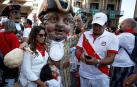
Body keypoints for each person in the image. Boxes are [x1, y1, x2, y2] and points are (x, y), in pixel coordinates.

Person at [75, 12, 119, 87]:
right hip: (84, 74)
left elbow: (111, 58)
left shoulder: (112, 37)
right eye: (95, 25)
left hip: (101, 76)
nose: (97, 27)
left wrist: (97, 61)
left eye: (100, 25)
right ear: (92, 24)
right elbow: (78, 50)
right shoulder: (85, 34)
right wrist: (80, 56)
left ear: (106, 24)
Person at [39, 0, 74, 87]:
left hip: (64, 78)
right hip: (47, 79)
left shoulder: (69, 41)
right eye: (54, 19)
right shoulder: (41, 40)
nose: (60, 24)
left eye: (66, 20)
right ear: (44, 23)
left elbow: (83, 35)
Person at [110, 18, 137, 87]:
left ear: (128, 26)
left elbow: (109, 43)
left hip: (121, 66)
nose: (120, 25)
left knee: (117, 84)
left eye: (122, 24)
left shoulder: (124, 36)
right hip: (130, 65)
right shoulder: (132, 36)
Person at [0, 20, 20, 87]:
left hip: (3, 58)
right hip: (11, 60)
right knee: (11, 77)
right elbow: (16, 50)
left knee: (4, 75)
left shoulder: (0, 34)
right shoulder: (14, 37)